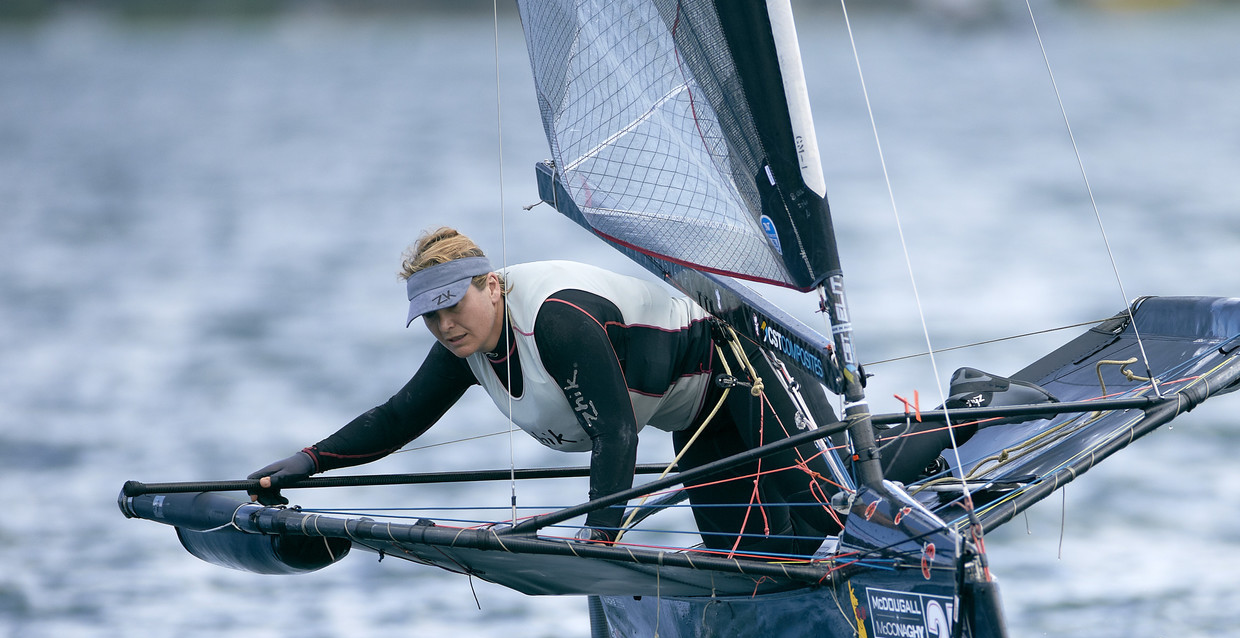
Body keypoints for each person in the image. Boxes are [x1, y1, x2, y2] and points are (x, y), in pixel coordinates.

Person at [249, 227, 838, 554]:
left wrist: (599, 534)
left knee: (829, 510)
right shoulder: (464, 348)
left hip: (743, 361)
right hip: (696, 417)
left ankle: (905, 449)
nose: (445, 326)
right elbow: (398, 417)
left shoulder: (556, 322)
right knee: (755, 561)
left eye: (453, 306)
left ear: (491, 285)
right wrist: (308, 462)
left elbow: (616, 433)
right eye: (430, 317)